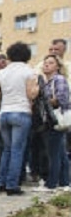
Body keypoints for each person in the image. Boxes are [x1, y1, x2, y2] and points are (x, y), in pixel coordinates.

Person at [0, 42, 39, 195]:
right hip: (21, 112)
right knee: (17, 150)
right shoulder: (29, 71)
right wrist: (37, 88)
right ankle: (12, 185)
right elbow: (31, 94)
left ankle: (1, 182)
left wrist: (4, 96)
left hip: (5, 113)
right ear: (26, 55)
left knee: (7, 150)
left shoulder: (2, 73)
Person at [33, 54, 70, 192]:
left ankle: (52, 183)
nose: (46, 65)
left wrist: (45, 102)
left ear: (58, 66)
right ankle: (65, 182)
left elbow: (62, 99)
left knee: (53, 152)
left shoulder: (58, 79)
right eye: (45, 62)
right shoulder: (47, 81)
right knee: (60, 152)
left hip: (55, 118)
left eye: (51, 63)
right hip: (50, 119)